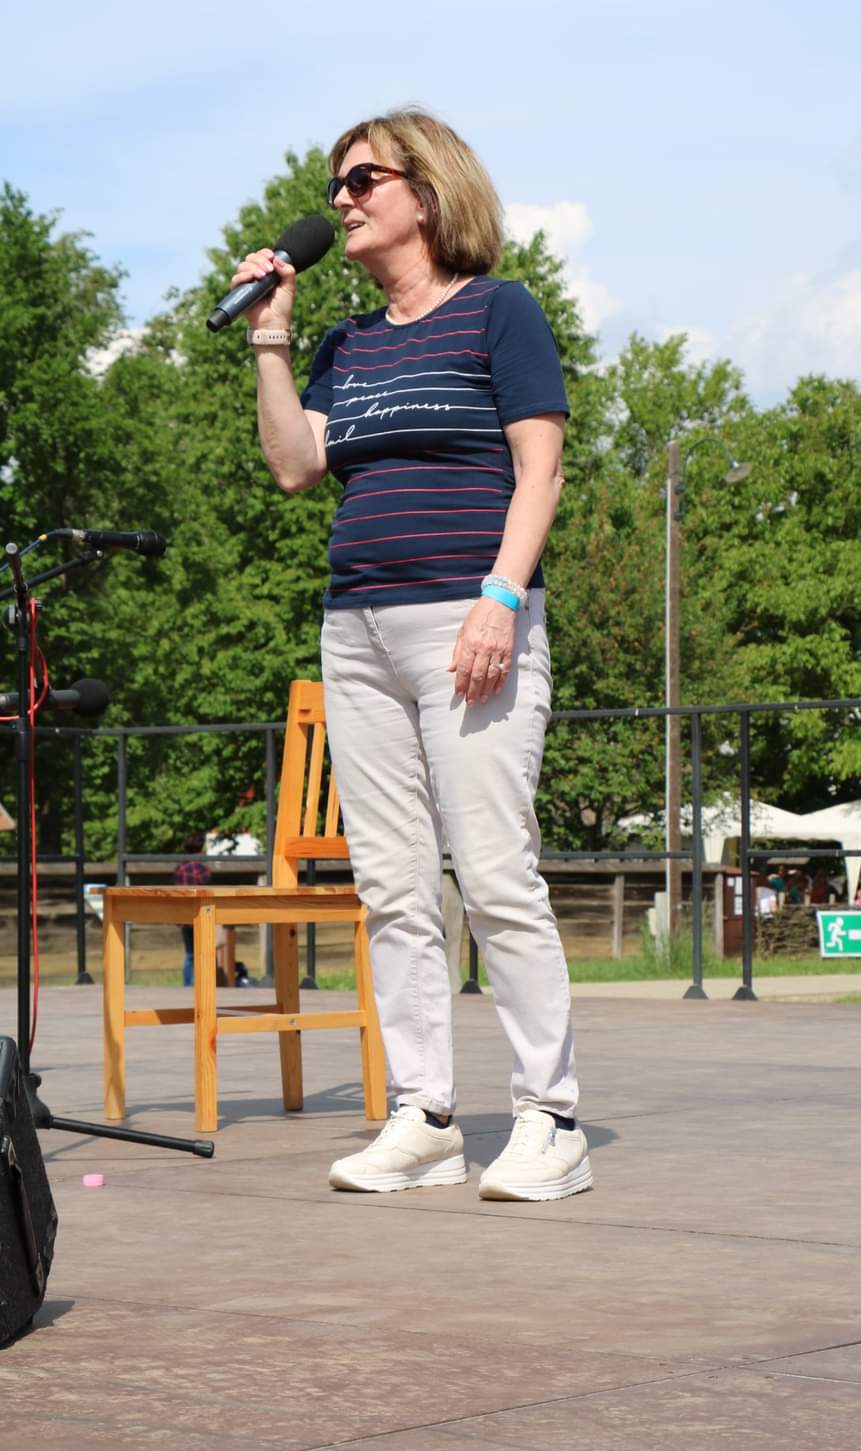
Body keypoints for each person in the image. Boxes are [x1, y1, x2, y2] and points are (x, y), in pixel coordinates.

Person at [230, 108, 590, 1202]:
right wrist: (272, 340)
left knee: (493, 872)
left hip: (470, 622)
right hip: (359, 632)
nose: (339, 201)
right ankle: (427, 1117)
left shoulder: (499, 311)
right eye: (335, 187)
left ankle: (552, 1119)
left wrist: (500, 599)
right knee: (391, 885)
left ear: (425, 193)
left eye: (361, 180)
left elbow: (540, 472)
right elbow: (295, 466)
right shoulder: (348, 344)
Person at [173, 833, 212, 987]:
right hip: (200, 913)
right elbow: (208, 886)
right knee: (202, 952)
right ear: (201, 848)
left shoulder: (180, 867)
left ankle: (188, 985)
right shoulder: (202, 868)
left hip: (184, 914)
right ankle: (200, 984)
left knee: (189, 952)